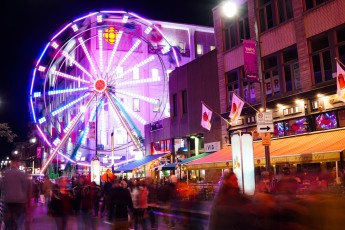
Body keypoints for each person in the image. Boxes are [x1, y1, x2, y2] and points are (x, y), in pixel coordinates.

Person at [0, 156, 30, 230]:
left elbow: (2, 187)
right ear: (17, 163)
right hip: (19, 201)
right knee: (19, 221)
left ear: (11, 162)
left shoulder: (5, 173)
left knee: (8, 222)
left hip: (7, 201)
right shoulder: (22, 174)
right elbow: (25, 188)